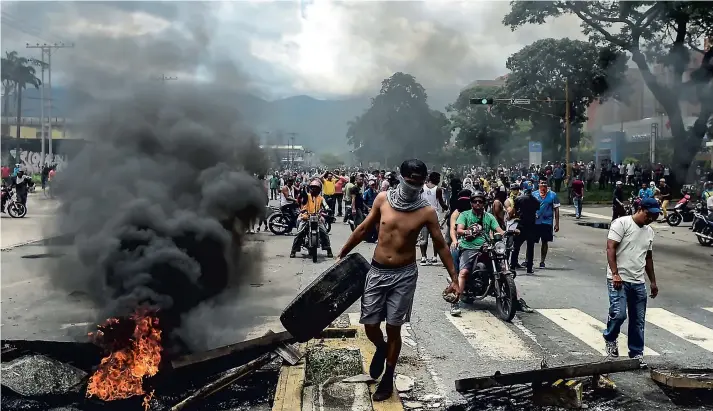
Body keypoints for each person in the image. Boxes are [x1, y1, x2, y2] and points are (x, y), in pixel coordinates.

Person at [337, 159, 459, 402]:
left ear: (424, 182)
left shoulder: (426, 211)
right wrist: (343, 251)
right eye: (410, 180)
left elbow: (440, 244)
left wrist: (454, 278)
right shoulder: (383, 199)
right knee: (370, 325)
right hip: (377, 270)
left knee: (394, 328)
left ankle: (388, 377)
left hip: (404, 275)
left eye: (419, 181)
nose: (414, 185)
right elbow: (363, 229)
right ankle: (381, 348)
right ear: (400, 177)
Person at [604, 198, 660, 367]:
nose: (651, 219)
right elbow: (610, 247)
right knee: (619, 314)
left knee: (638, 320)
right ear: (640, 209)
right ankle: (610, 338)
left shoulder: (649, 232)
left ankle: (636, 354)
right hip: (618, 279)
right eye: (649, 215)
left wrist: (653, 282)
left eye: (655, 217)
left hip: (638, 281)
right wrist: (615, 274)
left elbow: (648, 258)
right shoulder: (621, 224)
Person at [451, 190, 504, 316]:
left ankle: (516, 300)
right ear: (471, 203)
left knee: (503, 269)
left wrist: (507, 233)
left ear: (484, 203)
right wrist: (466, 232)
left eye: (480, 201)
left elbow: (499, 230)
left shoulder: (489, 217)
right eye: (475, 201)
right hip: (468, 247)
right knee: (463, 273)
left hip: (486, 247)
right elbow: (459, 230)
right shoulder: (465, 215)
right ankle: (455, 302)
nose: (478, 203)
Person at [290, 179, 333, 258]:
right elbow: (302, 197)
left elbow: (325, 205)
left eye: (316, 188)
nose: (314, 189)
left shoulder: (321, 198)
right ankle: (294, 250)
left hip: (317, 218)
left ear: (319, 189)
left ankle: (328, 249)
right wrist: (303, 190)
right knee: (299, 233)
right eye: (312, 187)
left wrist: (328, 209)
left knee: (324, 232)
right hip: (305, 217)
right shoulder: (307, 196)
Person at [418, 172, 449, 265]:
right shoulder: (438, 189)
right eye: (438, 179)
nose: (439, 181)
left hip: (423, 214)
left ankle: (423, 257)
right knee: (435, 237)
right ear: (435, 179)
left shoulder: (422, 187)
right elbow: (442, 203)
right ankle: (435, 257)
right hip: (434, 215)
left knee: (423, 237)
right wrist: (448, 208)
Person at [532, 180, 560, 268]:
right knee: (531, 241)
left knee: (545, 242)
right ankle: (528, 260)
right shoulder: (534, 194)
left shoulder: (553, 195)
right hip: (535, 222)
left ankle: (542, 261)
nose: (543, 185)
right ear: (538, 184)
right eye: (541, 183)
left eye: (545, 183)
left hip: (547, 222)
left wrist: (557, 223)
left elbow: (556, 209)